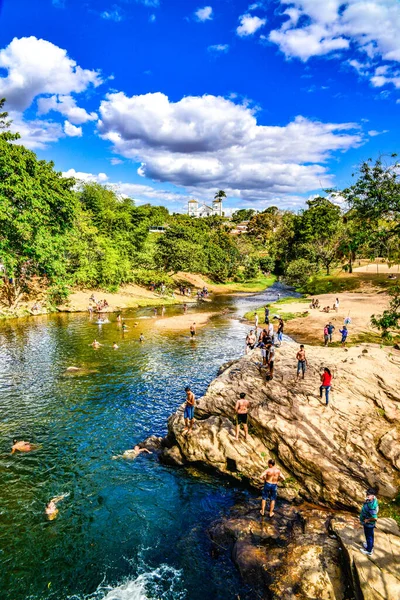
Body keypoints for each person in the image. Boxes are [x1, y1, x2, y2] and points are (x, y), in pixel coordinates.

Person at [359, 488, 379, 556]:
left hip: (369, 524)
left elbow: (375, 518)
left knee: (369, 536)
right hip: (368, 523)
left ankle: (369, 551)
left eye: (369, 494)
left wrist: (367, 520)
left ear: (373, 496)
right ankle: (369, 545)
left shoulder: (372, 507)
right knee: (370, 536)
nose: (367, 495)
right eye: (367, 493)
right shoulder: (373, 499)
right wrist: (368, 499)